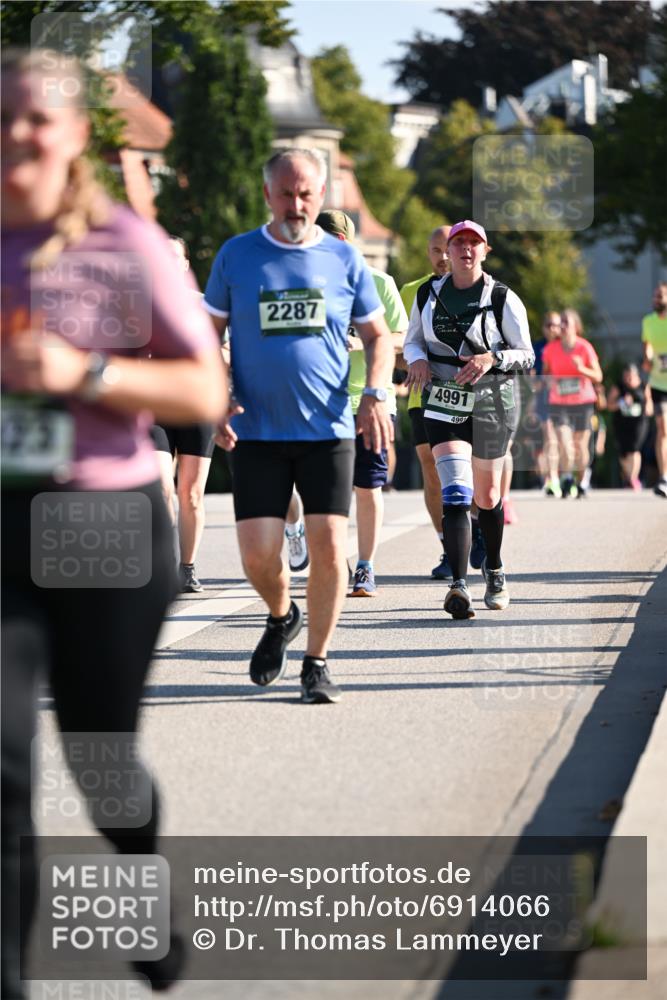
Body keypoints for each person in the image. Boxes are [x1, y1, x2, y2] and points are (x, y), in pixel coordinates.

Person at [1, 48, 227, 999]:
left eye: (34, 119)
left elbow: (203, 387)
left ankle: (142, 887)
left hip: (105, 524)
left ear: (75, 135)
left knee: (101, 763)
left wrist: (83, 375)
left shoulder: (119, 244)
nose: (15, 136)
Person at [204, 148, 394, 703]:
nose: (296, 203)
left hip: (328, 428)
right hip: (255, 429)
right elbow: (205, 334)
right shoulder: (238, 256)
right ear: (268, 194)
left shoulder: (343, 261)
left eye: (307, 193)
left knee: (330, 544)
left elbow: (380, 337)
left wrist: (376, 395)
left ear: (322, 196)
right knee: (258, 554)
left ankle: (317, 661)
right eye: (286, 193)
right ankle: (281, 614)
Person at [404, 220, 534, 620]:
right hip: (443, 400)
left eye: (473, 244)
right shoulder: (429, 293)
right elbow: (412, 339)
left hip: (493, 401)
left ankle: (494, 568)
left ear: (484, 251)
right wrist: (418, 360)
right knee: (456, 492)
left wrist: (491, 358)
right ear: (448, 250)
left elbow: (527, 354)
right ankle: (458, 586)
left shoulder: (501, 297)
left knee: (488, 496)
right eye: (458, 242)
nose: (464, 249)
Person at [316, 209, 408, 597]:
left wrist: (368, 341)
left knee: (368, 487)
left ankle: (366, 567)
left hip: (370, 398)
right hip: (320, 401)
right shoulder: (307, 283)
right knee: (323, 489)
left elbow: (403, 338)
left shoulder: (378, 282)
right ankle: (330, 558)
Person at [150, 236, 216, 593]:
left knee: (190, 494)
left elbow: (224, 356)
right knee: (161, 489)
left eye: (175, 257)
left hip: (195, 406)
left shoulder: (205, 307)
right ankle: (160, 567)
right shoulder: (139, 306)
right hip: (156, 408)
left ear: (186, 264)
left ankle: (186, 567)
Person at [542, 309, 603, 498]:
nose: (561, 325)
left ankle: (583, 480)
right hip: (559, 403)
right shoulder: (551, 348)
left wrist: (581, 368)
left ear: (576, 326)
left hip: (583, 402)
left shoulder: (584, 347)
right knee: (564, 442)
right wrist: (548, 380)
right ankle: (567, 477)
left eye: (566, 322)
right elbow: (546, 374)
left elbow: (598, 376)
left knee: (580, 446)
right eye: (561, 322)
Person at [531, 310, 563, 495]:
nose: (552, 329)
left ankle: (567, 477)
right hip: (544, 399)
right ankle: (552, 479)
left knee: (564, 441)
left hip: (567, 400)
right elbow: (532, 379)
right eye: (549, 325)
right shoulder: (537, 348)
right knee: (550, 438)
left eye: (556, 325)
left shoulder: (566, 345)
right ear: (544, 328)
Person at [607, 363, 651, 490]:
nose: (628, 379)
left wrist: (647, 408)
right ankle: (628, 477)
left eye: (630, 376)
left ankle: (633, 478)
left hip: (639, 423)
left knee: (635, 449)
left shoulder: (643, 385)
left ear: (636, 375)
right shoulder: (619, 387)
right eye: (626, 377)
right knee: (624, 453)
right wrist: (621, 403)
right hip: (622, 423)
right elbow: (609, 405)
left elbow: (649, 404)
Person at [641, 282, 667, 497]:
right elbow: (647, 345)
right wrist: (648, 358)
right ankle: (664, 477)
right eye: (655, 295)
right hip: (659, 383)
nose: (656, 299)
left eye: (660, 295)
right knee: (663, 429)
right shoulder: (648, 321)